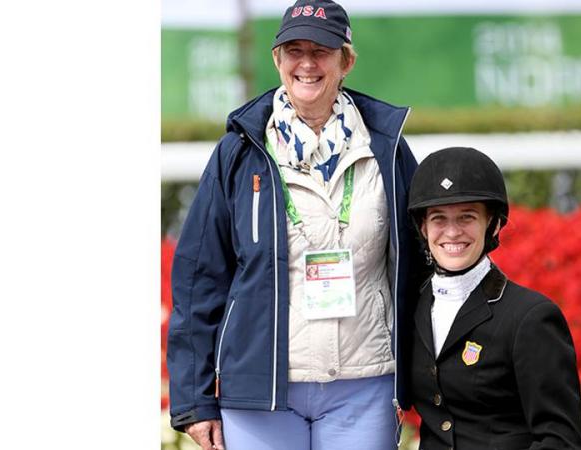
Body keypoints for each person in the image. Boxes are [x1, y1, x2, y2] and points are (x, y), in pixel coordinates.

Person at [166, 1, 423, 449]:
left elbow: (420, 263)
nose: (307, 63)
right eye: (294, 50)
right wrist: (195, 399)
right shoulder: (237, 153)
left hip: (366, 385)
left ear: (346, 61)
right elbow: (199, 277)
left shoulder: (388, 149)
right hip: (259, 395)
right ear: (277, 60)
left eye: (321, 50)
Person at [406, 147, 581, 449]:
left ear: (493, 223)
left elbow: (561, 439)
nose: (452, 232)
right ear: (423, 227)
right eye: (439, 219)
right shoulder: (413, 306)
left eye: (467, 217)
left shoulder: (530, 318)